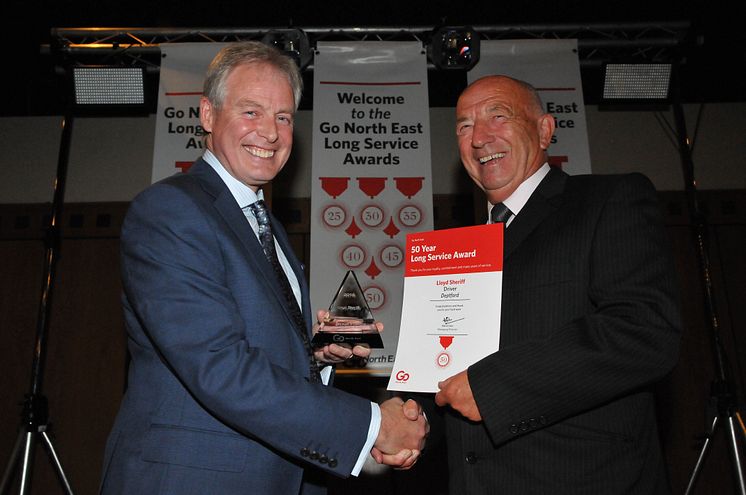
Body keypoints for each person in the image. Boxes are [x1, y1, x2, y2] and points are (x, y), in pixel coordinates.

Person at [99, 41, 427, 495]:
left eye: (284, 117)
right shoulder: (170, 210)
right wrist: (373, 426)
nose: (270, 133)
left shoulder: (264, 224)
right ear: (208, 115)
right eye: (251, 112)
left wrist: (317, 355)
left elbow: (246, 343)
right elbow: (219, 365)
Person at [432, 75, 682, 493]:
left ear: (545, 130)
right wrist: (410, 415)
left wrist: (497, 388)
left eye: (498, 115)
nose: (479, 138)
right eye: (464, 126)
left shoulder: (610, 199)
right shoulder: (456, 249)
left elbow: (644, 330)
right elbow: (445, 366)